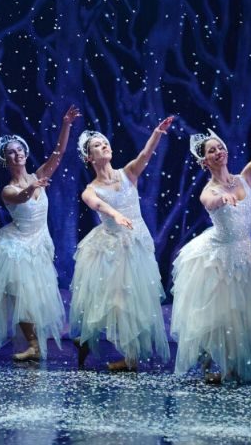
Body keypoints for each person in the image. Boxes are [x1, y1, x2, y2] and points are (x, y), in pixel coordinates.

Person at [171, 96, 251, 383]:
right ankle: (218, 363)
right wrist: (221, 198)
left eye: (220, 148)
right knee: (222, 314)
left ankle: (234, 365)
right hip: (219, 256)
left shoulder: (245, 177)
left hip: (244, 253)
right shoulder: (209, 189)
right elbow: (209, 202)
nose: (218, 152)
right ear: (204, 160)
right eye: (212, 151)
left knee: (244, 314)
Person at [0, 105, 80, 360]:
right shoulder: (8, 189)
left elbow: (59, 153)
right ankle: (31, 345)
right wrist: (33, 188)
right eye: (10, 152)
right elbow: (21, 196)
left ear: (25, 153)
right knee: (18, 294)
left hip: (38, 242)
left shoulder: (38, 174)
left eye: (19, 149)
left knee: (24, 296)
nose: (16, 154)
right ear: (5, 160)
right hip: (15, 246)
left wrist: (66, 124)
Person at [69, 118, 174, 370]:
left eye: (105, 142)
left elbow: (145, 154)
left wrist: (157, 133)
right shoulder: (89, 189)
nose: (104, 145)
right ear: (89, 157)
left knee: (133, 299)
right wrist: (115, 214)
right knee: (114, 300)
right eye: (97, 145)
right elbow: (97, 204)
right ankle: (102, 345)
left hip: (135, 243)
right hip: (108, 249)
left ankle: (128, 356)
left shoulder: (128, 173)